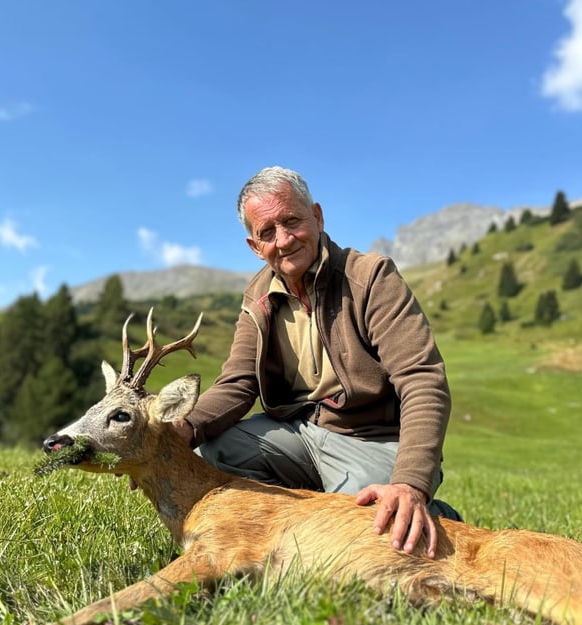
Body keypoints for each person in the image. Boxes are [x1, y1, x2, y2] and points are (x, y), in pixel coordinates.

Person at [173, 166, 460, 557]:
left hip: (373, 440)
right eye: (267, 232)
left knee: (359, 536)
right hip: (300, 433)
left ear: (318, 217)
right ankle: (300, 517)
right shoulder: (257, 297)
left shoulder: (371, 277)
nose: (284, 240)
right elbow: (238, 383)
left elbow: (422, 380)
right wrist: (183, 430)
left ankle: (436, 514)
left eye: (292, 221)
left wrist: (411, 482)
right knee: (214, 451)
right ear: (255, 246)